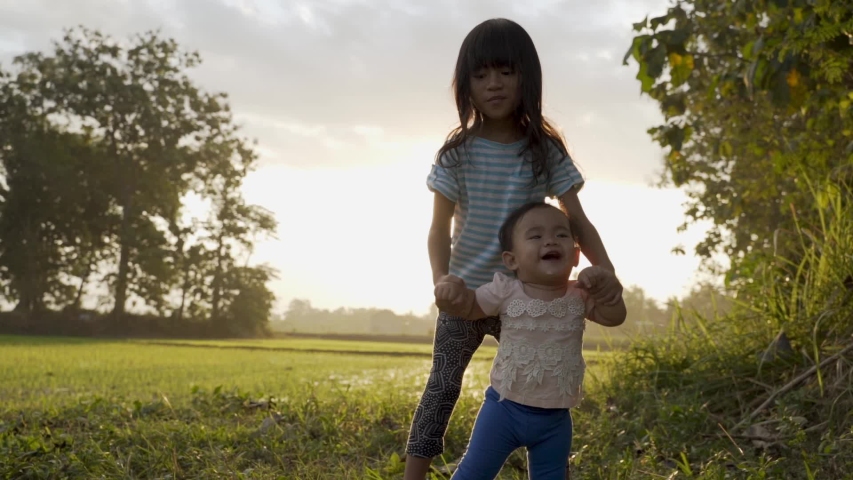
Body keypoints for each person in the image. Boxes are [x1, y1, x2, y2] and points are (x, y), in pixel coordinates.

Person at [404, 17, 623, 479]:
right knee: (442, 387)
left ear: (527, 76)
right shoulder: (456, 154)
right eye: (481, 75)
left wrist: (607, 273)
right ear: (465, 85)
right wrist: (443, 282)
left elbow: (577, 220)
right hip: (465, 297)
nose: (494, 84)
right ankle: (414, 475)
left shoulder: (543, 150)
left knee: (540, 385)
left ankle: (543, 462)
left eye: (505, 71)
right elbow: (437, 228)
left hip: (527, 297)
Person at [434, 201, 626, 479]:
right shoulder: (505, 290)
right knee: (474, 473)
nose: (550, 240)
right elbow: (469, 308)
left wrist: (607, 287)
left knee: (551, 475)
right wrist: (452, 296)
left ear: (575, 255)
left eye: (561, 234)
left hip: (556, 421)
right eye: (535, 236)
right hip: (503, 410)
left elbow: (615, 316)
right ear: (512, 260)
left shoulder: (581, 295)